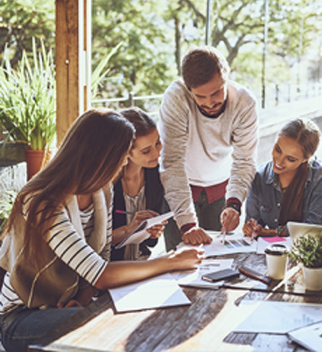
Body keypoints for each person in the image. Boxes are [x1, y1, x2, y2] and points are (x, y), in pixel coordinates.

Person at [0, 108, 203, 351]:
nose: (123, 164)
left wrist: (80, 299)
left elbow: (100, 258)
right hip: (22, 316)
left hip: (68, 304)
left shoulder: (102, 192)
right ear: (101, 157)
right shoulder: (42, 201)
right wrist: (170, 261)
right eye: (121, 158)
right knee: (115, 328)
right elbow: (101, 272)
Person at [159, 46, 258, 249]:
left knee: (222, 262)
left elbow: (244, 161)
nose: (210, 103)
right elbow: (172, 163)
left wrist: (234, 203)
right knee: (179, 263)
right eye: (200, 97)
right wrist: (187, 224)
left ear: (227, 77)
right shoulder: (176, 98)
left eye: (216, 93)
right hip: (179, 190)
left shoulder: (244, 103)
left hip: (221, 191)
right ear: (188, 89)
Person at [243, 118, 322, 238]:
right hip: (271, 251)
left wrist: (274, 233)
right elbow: (253, 225)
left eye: (290, 159)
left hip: (307, 252)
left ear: (306, 158)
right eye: (278, 149)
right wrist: (251, 228)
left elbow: (316, 229)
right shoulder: (260, 176)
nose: (279, 161)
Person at [112, 108, 174, 261]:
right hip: (109, 268)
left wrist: (153, 232)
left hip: (141, 262)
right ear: (125, 152)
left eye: (158, 143)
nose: (157, 154)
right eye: (146, 151)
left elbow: (150, 243)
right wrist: (128, 229)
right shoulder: (107, 184)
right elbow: (92, 244)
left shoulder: (155, 175)